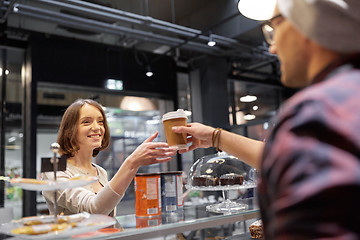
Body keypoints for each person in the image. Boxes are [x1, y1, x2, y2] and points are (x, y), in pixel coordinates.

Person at [173, 0, 360, 239]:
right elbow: (282, 159)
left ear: (308, 23)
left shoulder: (318, 112)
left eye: (274, 27)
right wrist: (214, 137)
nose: (272, 48)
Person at [42, 99, 176, 216]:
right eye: (86, 122)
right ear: (69, 131)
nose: (97, 127)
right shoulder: (52, 167)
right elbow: (93, 208)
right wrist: (132, 162)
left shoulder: (100, 172)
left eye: (100, 122)